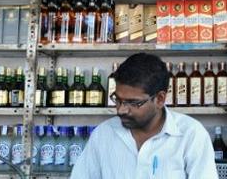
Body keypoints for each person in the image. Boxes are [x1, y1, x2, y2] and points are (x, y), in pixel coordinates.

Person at [70, 53, 218, 179]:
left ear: (159, 99)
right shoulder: (103, 134)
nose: (121, 110)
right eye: (118, 100)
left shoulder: (191, 135)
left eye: (133, 103)